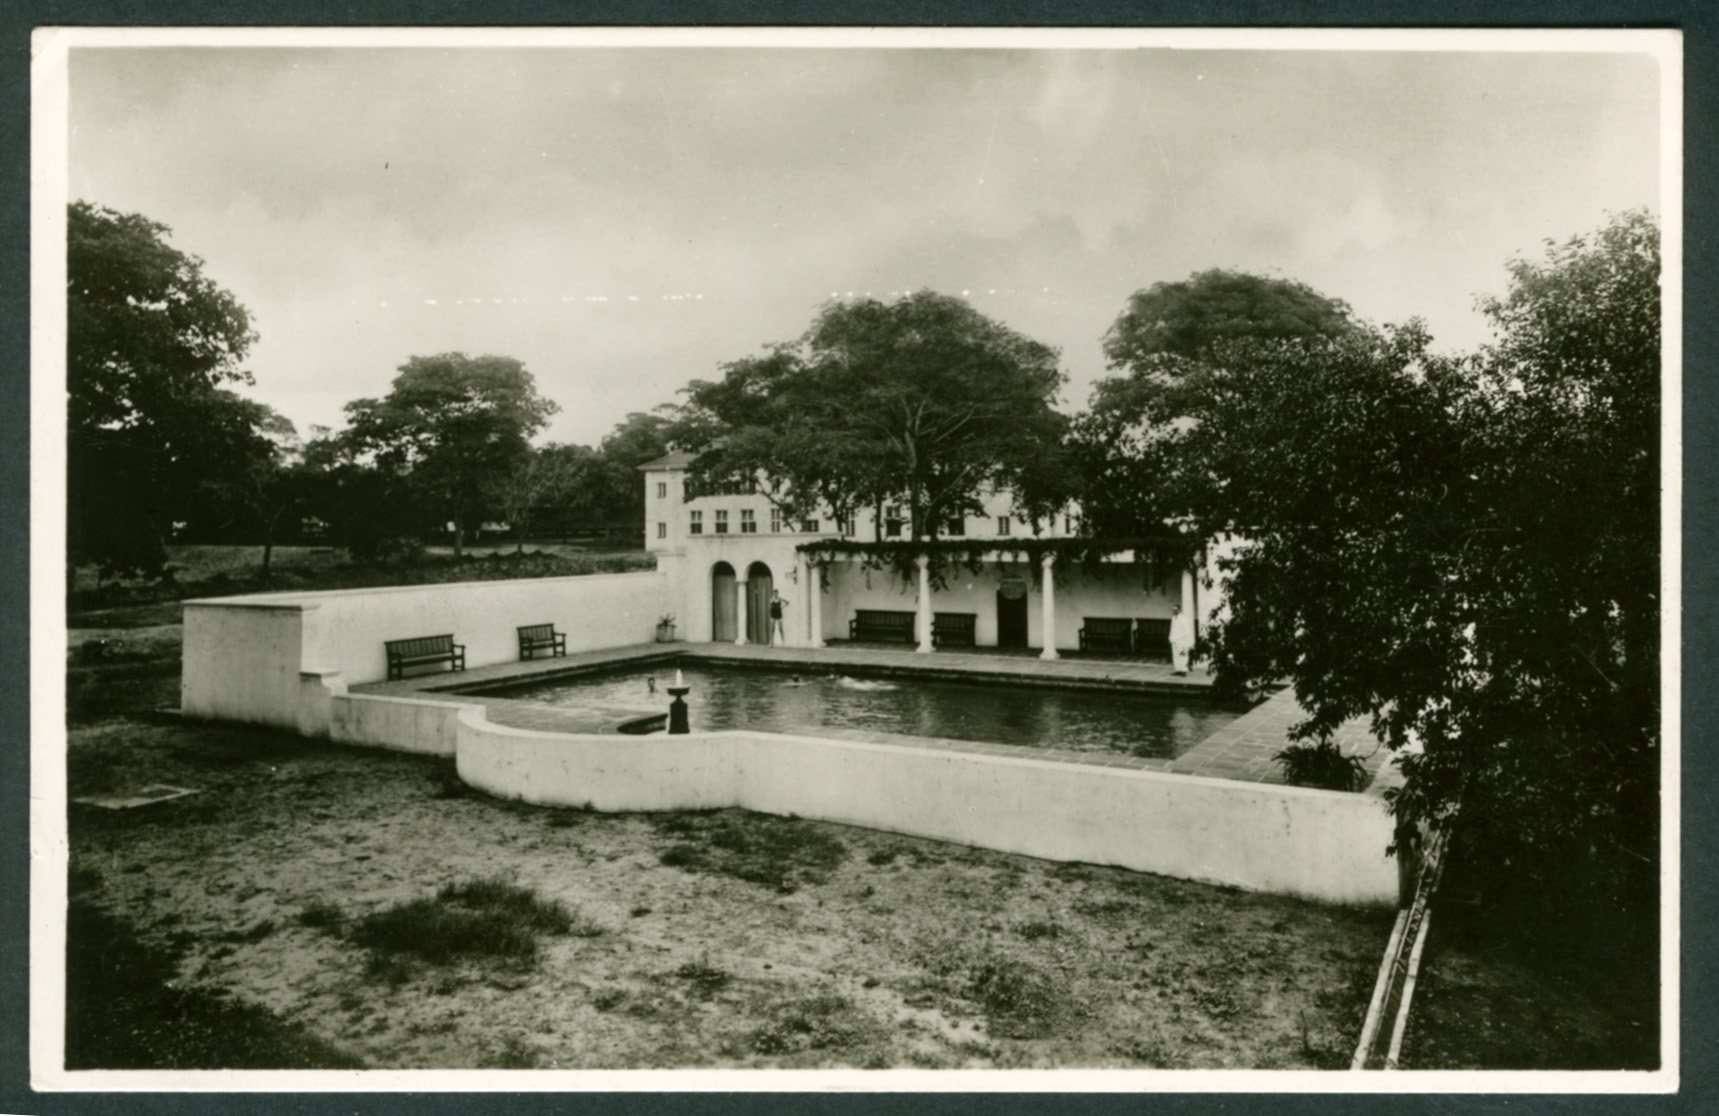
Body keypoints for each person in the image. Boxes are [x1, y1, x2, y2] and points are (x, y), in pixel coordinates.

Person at [1168, 604, 1196, 676]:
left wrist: (1179, 637)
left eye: (1176, 610)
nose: (1174, 611)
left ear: (1179, 610)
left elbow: (1187, 630)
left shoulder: (1183, 618)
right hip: (1174, 640)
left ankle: (1183, 670)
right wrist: (1171, 637)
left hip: (1181, 640)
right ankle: (1178, 670)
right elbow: (1172, 629)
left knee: (1183, 655)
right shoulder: (1173, 618)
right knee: (1175, 655)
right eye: (1173, 610)